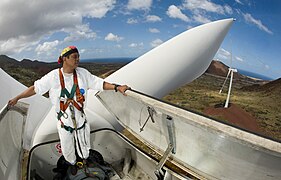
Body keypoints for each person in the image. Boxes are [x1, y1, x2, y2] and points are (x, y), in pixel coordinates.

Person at [8, 46, 129, 172]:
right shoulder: (53, 76)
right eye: (74, 57)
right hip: (64, 123)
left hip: (81, 121)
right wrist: (18, 97)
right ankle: (72, 165)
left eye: (78, 56)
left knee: (84, 147)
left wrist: (117, 87)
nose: (78, 59)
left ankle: (85, 162)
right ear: (65, 59)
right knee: (67, 149)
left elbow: (100, 84)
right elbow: (35, 88)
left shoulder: (83, 74)